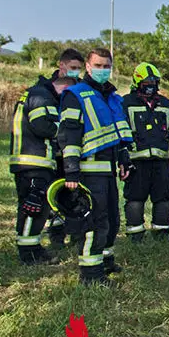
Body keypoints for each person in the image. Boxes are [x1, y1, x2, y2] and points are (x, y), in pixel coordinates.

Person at [57, 48, 134, 286]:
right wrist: (71, 170)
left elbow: (119, 134)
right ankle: (91, 275)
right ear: (88, 67)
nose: (102, 70)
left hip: (108, 171)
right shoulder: (75, 95)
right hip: (88, 171)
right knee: (95, 223)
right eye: (98, 65)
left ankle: (105, 261)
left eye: (106, 66)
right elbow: (68, 135)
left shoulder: (112, 97)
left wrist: (124, 158)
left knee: (112, 220)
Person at [9, 75, 79, 265]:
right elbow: (42, 126)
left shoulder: (37, 93)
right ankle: (29, 253)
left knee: (36, 206)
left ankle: (32, 248)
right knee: (34, 206)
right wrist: (67, 131)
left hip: (31, 161)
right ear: (65, 87)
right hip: (34, 161)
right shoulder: (42, 96)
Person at [122, 62, 169, 242]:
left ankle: (161, 233)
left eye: (154, 82)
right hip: (136, 160)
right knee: (135, 198)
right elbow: (120, 127)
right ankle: (135, 235)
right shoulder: (126, 103)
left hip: (160, 160)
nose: (151, 86)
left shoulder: (164, 103)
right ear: (137, 82)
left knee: (163, 197)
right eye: (147, 82)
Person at [37, 48, 85, 250]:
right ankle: (56, 236)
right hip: (52, 152)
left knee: (75, 196)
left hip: (73, 152)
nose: (76, 72)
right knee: (53, 197)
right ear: (61, 65)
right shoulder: (46, 89)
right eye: (73, 67)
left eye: (79, 68)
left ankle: (77, 234)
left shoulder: (79, 89)